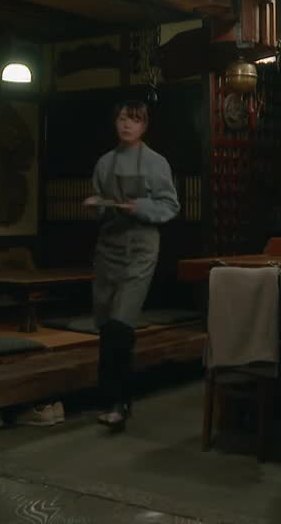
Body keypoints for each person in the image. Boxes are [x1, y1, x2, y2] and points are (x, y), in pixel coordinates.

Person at [84, 101, 179, 430]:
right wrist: (97, 205)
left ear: (144, 126)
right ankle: (108, 396)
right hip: (109, 245)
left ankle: (120, 402)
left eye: (134, 120)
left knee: (122, 321)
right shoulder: (104, 162)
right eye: (123, 118)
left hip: (140, 245)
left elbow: (170, 205)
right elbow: (100, 202)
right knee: (106, 321)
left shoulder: (156, 162)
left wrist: (138, 207)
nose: (127, 125)